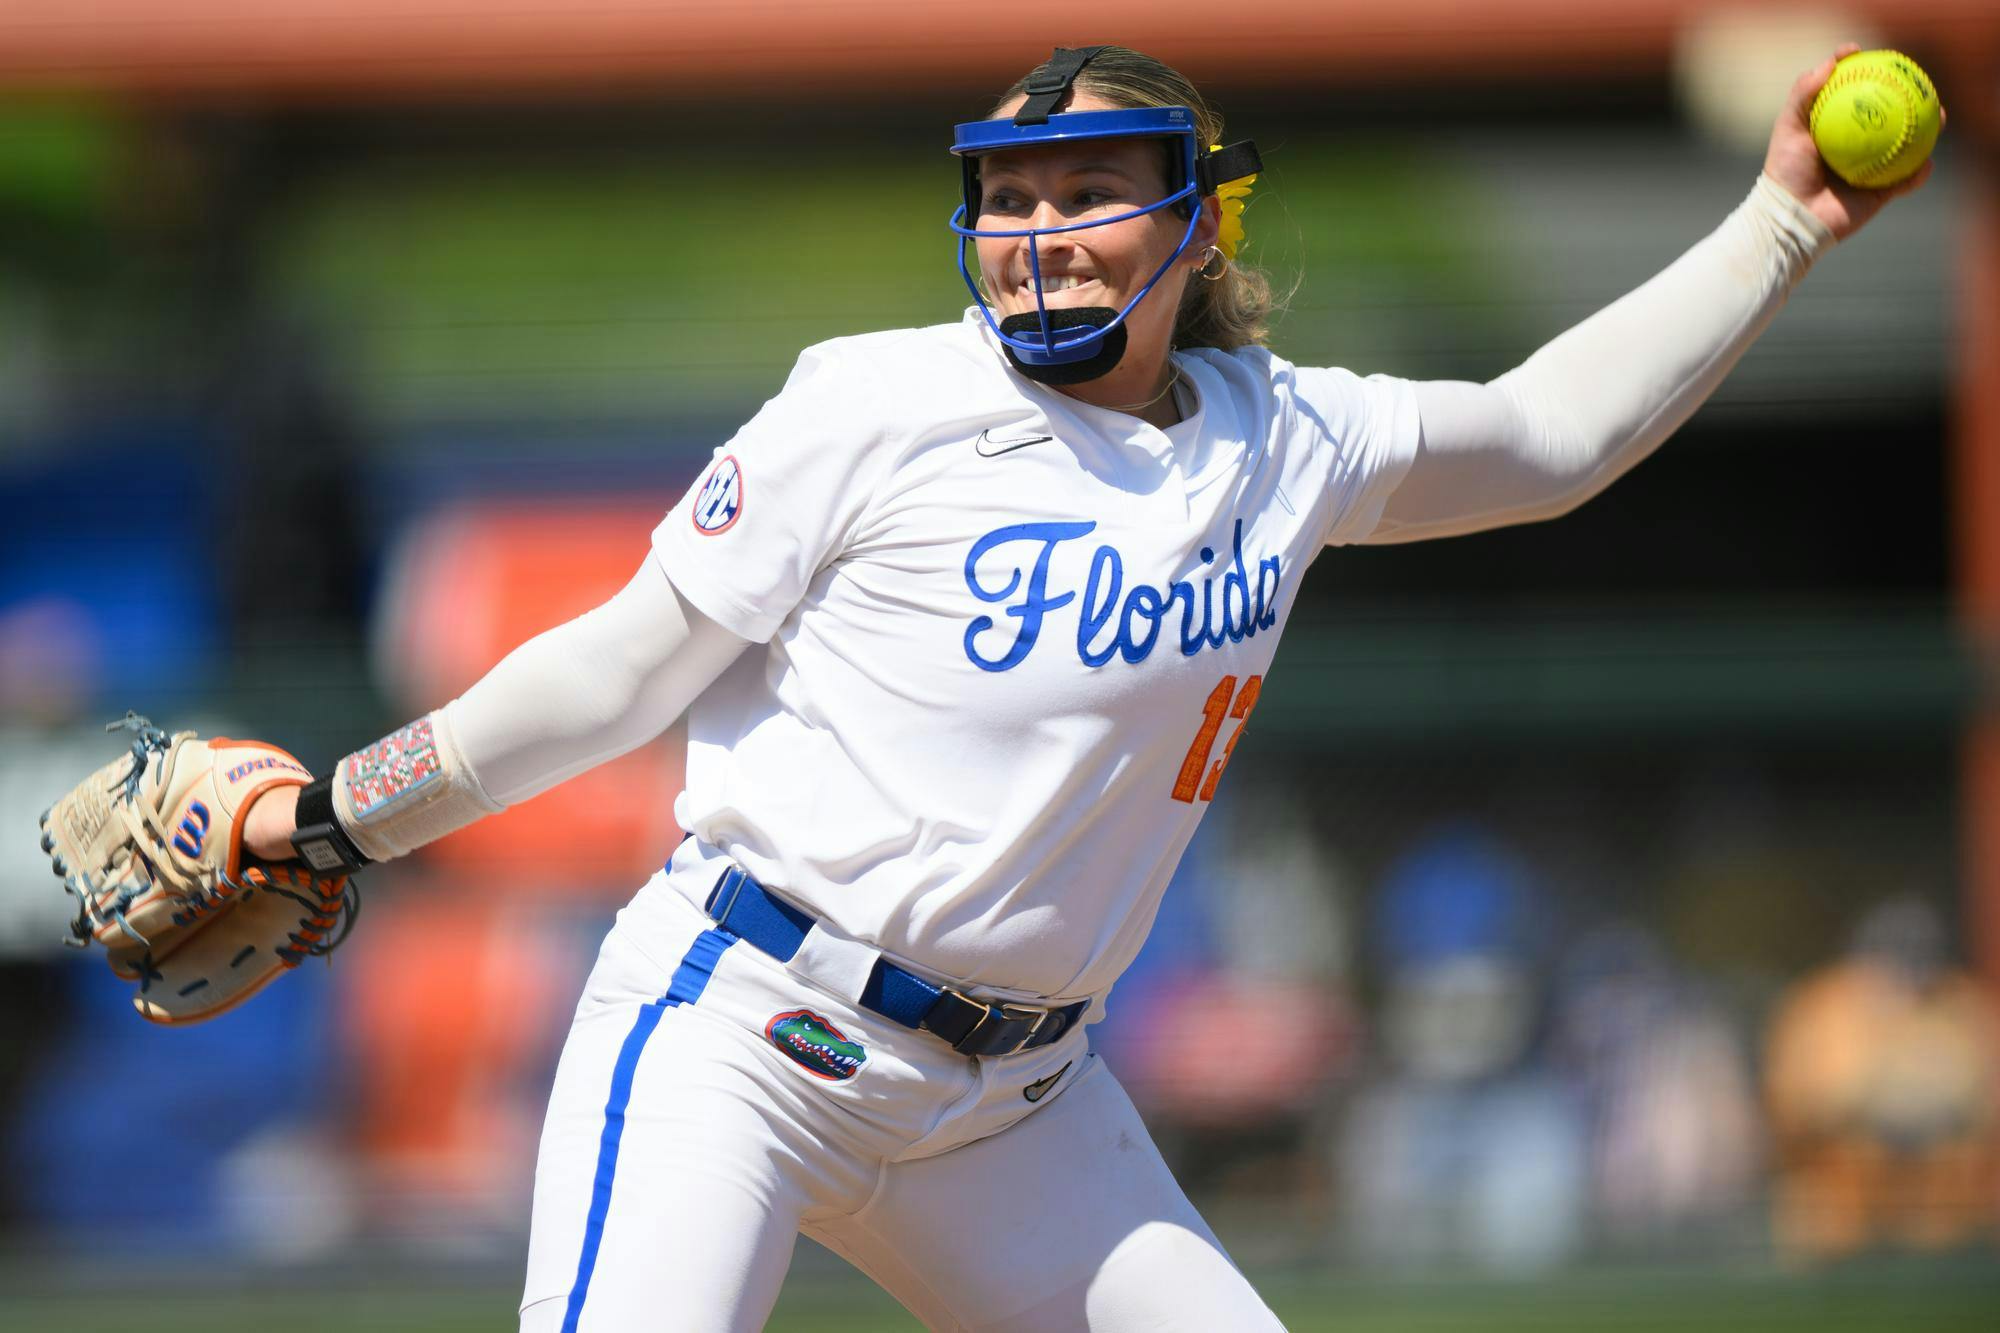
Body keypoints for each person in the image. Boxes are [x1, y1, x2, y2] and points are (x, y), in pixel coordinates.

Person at [227, 42, 1929, 1332]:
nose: (1040, 236)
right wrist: (335, 818)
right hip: (737, 1031)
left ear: (1195, 220)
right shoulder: (872, 404)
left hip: (1021, 1104)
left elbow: (1556, 437)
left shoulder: (1288, 434)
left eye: (1090, 192)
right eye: (1010, 199)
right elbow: (620, 669)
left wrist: (1784, 218)